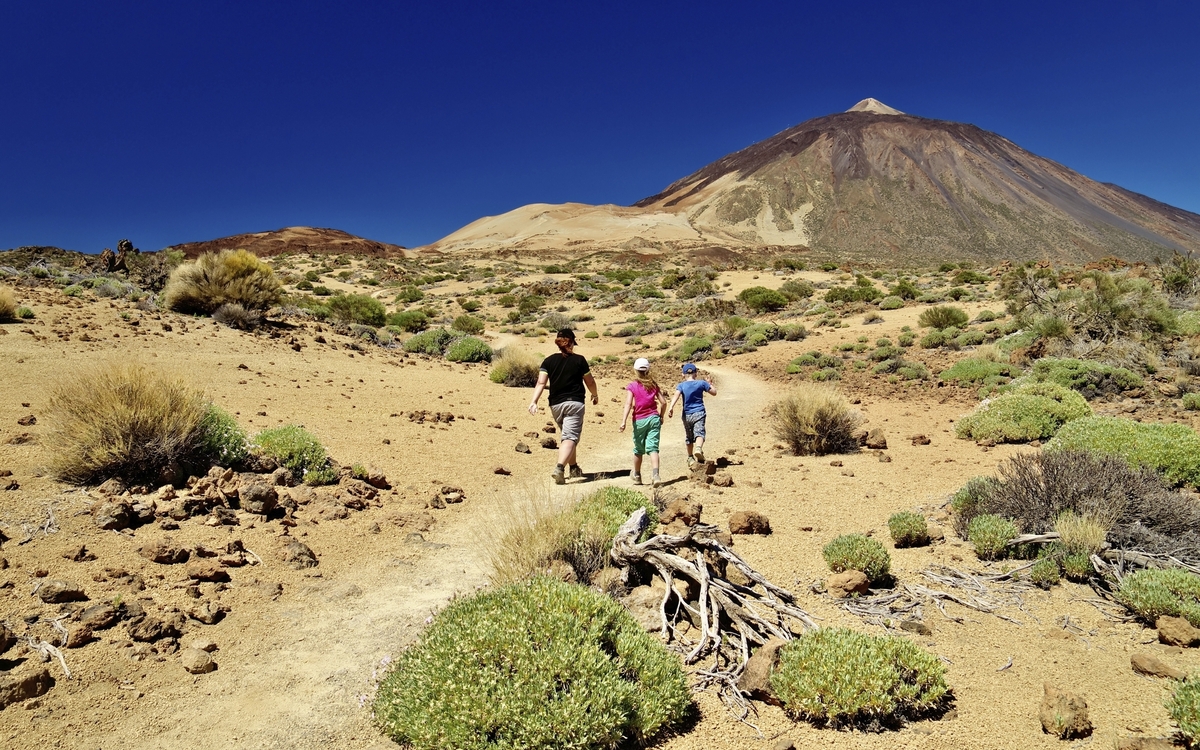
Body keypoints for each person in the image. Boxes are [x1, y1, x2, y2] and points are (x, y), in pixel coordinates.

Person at [528, 328, 598, 485]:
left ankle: (573, 468)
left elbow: (541, 382)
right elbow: (590, 382)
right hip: (574, 403)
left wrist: (534, 401)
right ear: (571, 343)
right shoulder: (579, 360)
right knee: (570, 437)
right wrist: (595, 395)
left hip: (556, 405)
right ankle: (559, 468)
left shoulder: (548, 361)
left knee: (567, 435)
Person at [618, 358, 667, 487]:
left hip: (639, 420)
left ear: (635, 370)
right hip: (654, 418)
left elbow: (628, 404)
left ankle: (637, 475)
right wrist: (661, 416)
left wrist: (623, 421)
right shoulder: (653, 385)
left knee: (638, 449)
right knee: (653, 448)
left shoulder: (632, 386)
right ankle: (656, 475)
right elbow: (663, 402)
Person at [666, 362, 716, 466]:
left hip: (686, 415)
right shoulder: (702, 383)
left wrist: (671, 407)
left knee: (689, 437)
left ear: (683, 374)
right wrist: (710, 383)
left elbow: (676, 395)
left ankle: (690, 457)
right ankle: (698, 448)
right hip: (699, 412)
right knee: (699, 433)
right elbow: (714, 393)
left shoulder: (681, 385)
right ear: (696, 374)